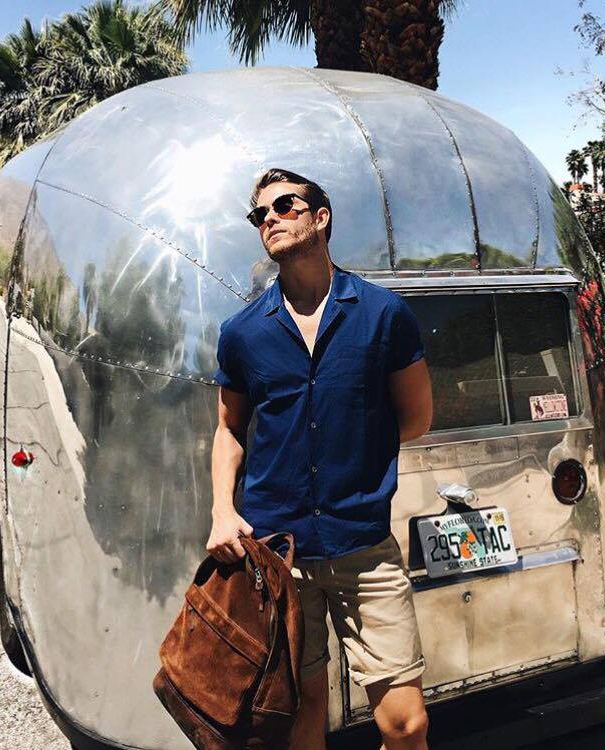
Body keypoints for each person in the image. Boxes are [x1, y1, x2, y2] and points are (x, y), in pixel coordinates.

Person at [208, 168, 433, 750]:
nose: (270, 219)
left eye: (285, 205)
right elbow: (230, 428)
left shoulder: (383, 314)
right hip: (279, 556)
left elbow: (416, 418)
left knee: (406, 724)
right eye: (260, 214)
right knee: (302, 709)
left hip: (364, 547)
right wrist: (222, 511)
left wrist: (355, 455)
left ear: (321, 217)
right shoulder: (243, 332)